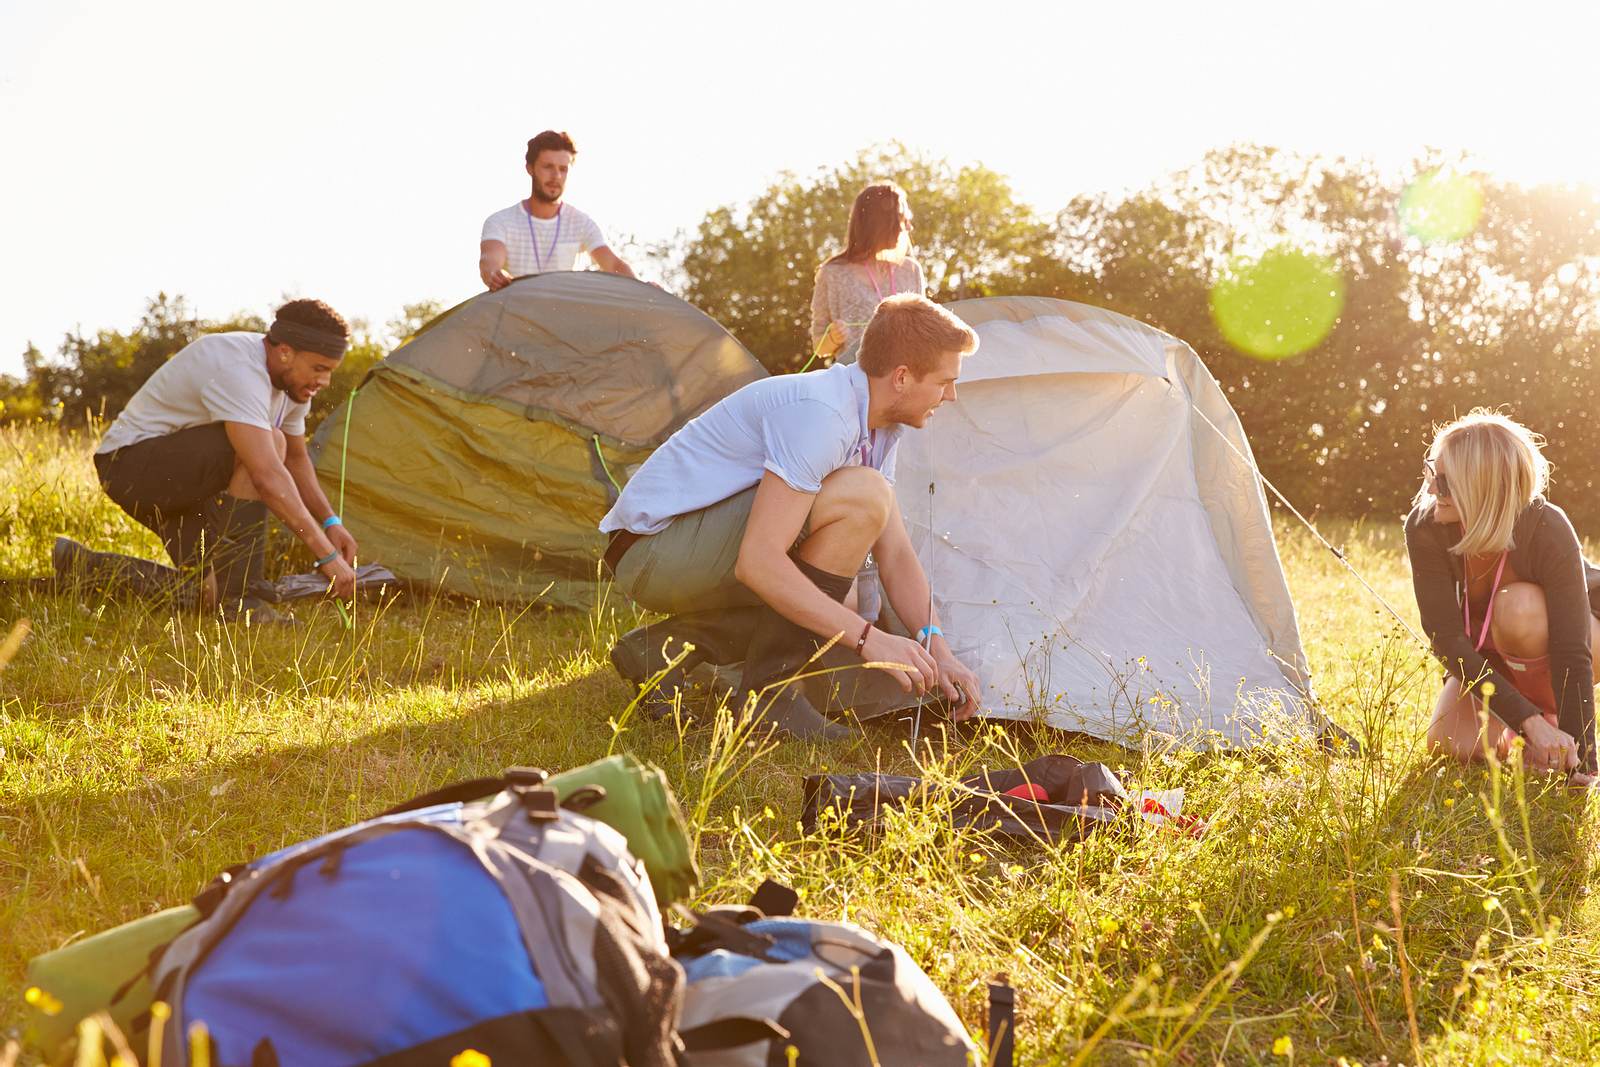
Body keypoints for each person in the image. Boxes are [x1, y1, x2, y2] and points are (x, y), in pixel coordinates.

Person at [601, 293, 982, 740]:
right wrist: (868, 639)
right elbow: (758, 562)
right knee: (862, 507)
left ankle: (665, 649)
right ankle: (770, 699)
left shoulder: (881, 429)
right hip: (652, 551)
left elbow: (895, 553)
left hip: (685, 552)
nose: (951, 395)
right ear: (901, 377)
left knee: (846, 602)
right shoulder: (822, 414)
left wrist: (939, 649)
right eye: (944, 381)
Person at [57, 299, 360, 621]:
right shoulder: (238, 368)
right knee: (270, 441)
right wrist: (326, 555)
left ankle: (80, 567)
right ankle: (243, 598)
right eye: (319, 369)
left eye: (330, 371)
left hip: (191, 485)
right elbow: (267, 474)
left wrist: (331, 523)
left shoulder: (292, 386)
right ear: (285, 352)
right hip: (131, 467)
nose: (324, 382)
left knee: (208, 595)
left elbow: (297, 460)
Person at [1406, 409, 1599, 785]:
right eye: (1432, 472)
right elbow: (1445, 639)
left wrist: (1584, 764)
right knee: (1448, 743)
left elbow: (1572, 649)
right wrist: (1527, 724)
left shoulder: (1547, 525)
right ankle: (1539, 738)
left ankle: (1560, 731)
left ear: (1482, 486)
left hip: (1579, 643)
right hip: (1497, 658)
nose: (1431, 489)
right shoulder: (1425, 526)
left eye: (1444, 483)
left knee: (1518, 606)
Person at [478, 130, 636, 289]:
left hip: (561, 312)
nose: (556, 176)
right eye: (548, 167)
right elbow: (489, 261)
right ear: (530, 168)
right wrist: (494, 274)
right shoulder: (500, 221)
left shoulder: (581, 222)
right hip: (515, 310)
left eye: (563, 169)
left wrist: (644, 289)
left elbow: (614, 264)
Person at [809, 182, 925, 365]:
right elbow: (819, 347)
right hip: (854, 388)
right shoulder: (832, 274)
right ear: (880, 223)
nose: (909, 227)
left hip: (904, 384)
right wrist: (833, 338)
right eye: (902, 219)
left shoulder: (910, 271)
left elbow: (924, 334)